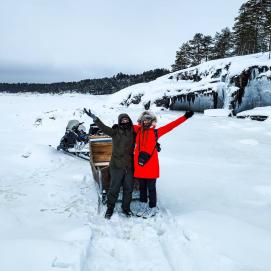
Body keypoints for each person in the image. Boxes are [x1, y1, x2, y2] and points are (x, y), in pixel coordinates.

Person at [133, 110, 194, 218]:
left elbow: (171, 126)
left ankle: (152, 208)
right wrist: (115, 126)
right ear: (141, 121)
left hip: (151, 166)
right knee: (142, 188)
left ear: (152, 121)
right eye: (144, 119)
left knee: (151, 189)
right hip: (140, 165)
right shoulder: (137, 130)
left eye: (148, 119)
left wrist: (185, 117)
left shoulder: (156, 132)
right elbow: (125, 124)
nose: (146, 121)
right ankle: (143, 206)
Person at [84, 108, 135, 219]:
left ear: (129, 121)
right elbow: (103, 127)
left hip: (129, 165)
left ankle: (126, 208)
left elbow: (145, 135)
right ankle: (110, 208)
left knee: (128, 189)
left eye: (127, 120)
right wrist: (95, 119)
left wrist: (156, 143)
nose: (125, 122)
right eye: (123, 120)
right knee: (114, 188)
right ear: (119, 121)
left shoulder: (133, 131)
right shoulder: (115, 132)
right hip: (116, 165)